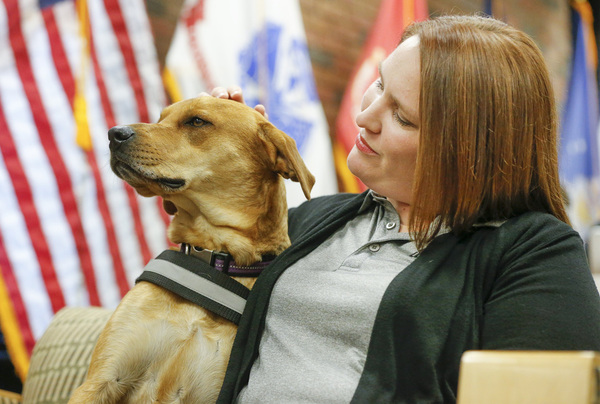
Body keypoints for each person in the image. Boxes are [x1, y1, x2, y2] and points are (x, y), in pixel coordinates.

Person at [207, 14, 600, 403]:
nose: (364, 117)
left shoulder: (534, 252)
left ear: (469, 152)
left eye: (402, 117)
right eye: (379, 83)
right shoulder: (314, 218)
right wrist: (215, 170)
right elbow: (199, 295)